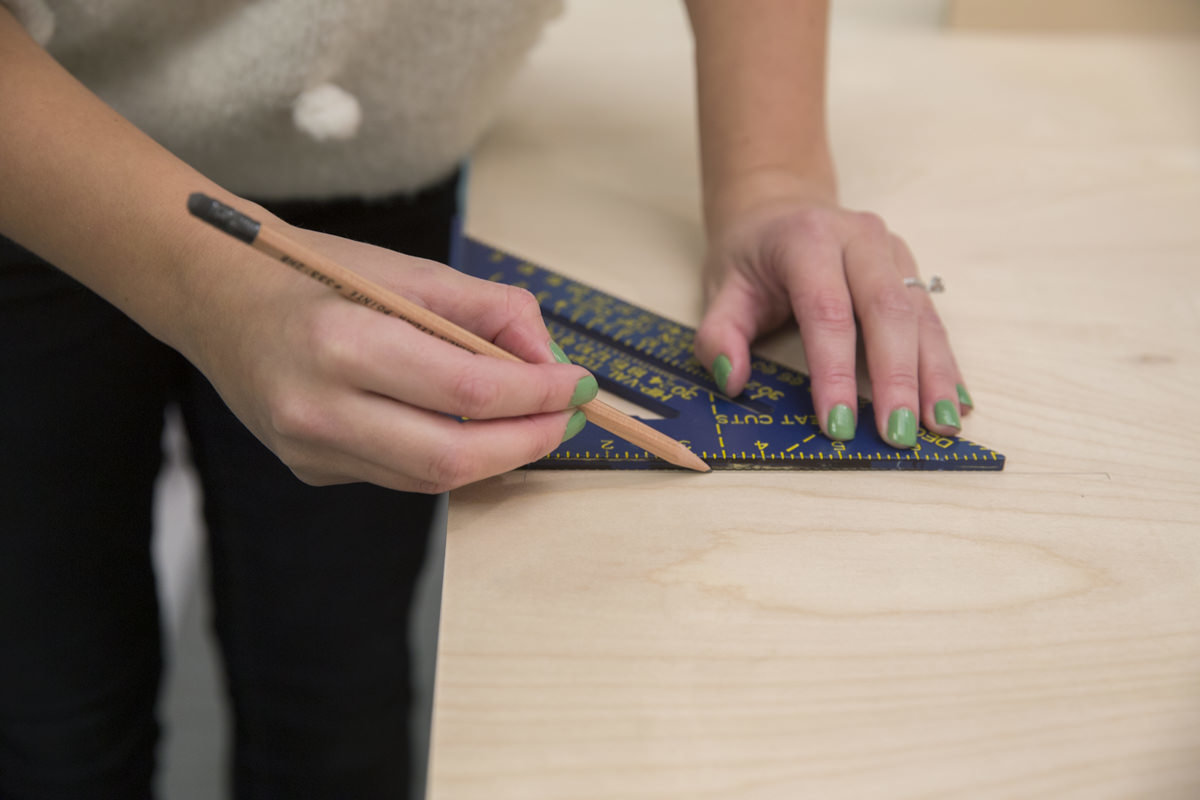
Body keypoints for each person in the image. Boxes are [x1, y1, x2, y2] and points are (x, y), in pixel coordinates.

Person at [0, 0, 971, 797]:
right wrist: (205, 282)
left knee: (335, 699)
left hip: (384, 158)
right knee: (52, 719)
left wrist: (772, 174)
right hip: (35, 167)